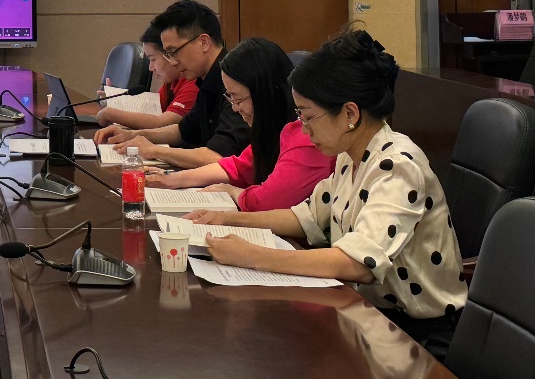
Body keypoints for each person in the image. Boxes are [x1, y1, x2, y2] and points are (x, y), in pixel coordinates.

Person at [187, 30, 465, 358]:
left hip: (416, 335)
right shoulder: (351, 155)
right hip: (368, 315)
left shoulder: (398, 166)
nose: (303, 130)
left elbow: (358, 263)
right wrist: (227, 219)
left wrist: (251, 256)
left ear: (349, 114)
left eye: (308, 117)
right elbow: (306, 216)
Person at [143, 37, 334, 210]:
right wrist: (172, 180)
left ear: (266, 93)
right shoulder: (272, 129)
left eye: (239, 99)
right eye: (230, 98)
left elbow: (267, 201)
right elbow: (237, 167)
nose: (235, 108)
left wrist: (232, 191)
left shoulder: (305, 135)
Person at [95, 0, 249, 167]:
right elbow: (183, 130)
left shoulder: (235, 80)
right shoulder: (205, 79)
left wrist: (154, 150)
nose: (173, 62)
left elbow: (219, 157)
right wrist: (133, 135)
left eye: (173, 52)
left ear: (204, 42)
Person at [95, 25, 197, 131]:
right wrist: (114, 101)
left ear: (170, 54)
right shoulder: (172, 81)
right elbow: (152, 112)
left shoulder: (193, 83)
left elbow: (161, 123)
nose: (151, 68)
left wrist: (111, 114)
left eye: (153, 59)